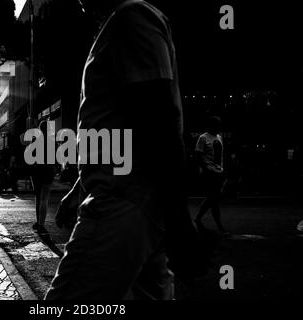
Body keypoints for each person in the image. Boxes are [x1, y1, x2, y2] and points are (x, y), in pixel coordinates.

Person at [46, 0, 210, 300]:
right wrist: (79, 188)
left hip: (121, 205)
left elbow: (160, 120)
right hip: (137, 203)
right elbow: (122, 130)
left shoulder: (132, 18)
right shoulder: (128, 23)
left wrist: (179, 222)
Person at [194, 116, 228, 235]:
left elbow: (220, 156)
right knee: (214, 200)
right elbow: (197, 156)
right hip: (209, 174)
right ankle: (220, 227)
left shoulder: (219, 137)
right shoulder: (203, 138)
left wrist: (222, 170)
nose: (219, 127)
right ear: (212, 126)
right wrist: (206, 170)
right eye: (217, 125)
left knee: (211, 199)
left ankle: (197, 219)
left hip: (218, 172)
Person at [31, 121, 56, 235]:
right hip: (48, 170)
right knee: (44, 199)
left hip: (36, 170)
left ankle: (38, 222)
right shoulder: (52, 140)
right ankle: (41, 224)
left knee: (37, 197)